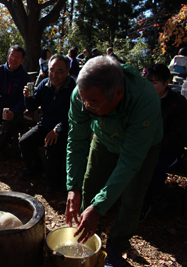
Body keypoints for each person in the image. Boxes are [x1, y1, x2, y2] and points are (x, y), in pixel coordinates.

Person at [65, 56, 163, 267]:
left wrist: (99, 208)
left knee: (132, 196)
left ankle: (117, 245)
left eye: (94, 103)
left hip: (142, 146)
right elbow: (77, 139)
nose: (86, 107)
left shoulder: (145, 100)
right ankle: (91, 239)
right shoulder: (82, 93)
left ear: (118, 94)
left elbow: (130, 161)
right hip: (103, 138)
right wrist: (73, 187)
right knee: (90, 184)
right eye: (84, 101)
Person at [19, 54, 76, 193]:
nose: (54, 75)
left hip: (66, 127)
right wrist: (28, 97)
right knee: (25, 141)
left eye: (59, 71)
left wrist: (58, 128)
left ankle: (54, 182)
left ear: (68, 71)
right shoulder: (44, 84)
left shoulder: (74, 87)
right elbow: (32, 107)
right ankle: (36, 169)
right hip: (45, 125)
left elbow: (74, 114)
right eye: (51, 70)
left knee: (52, 145)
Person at [141, 63, 187, 221]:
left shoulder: (178, 104)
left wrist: (151, 147)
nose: (149, 86)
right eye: (147, 82)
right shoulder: (143, 99)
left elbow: (176, 137)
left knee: (151, 167)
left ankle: (144, 206)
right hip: (143, 147)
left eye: (153, 83)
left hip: (168, 151)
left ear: (167, 82)